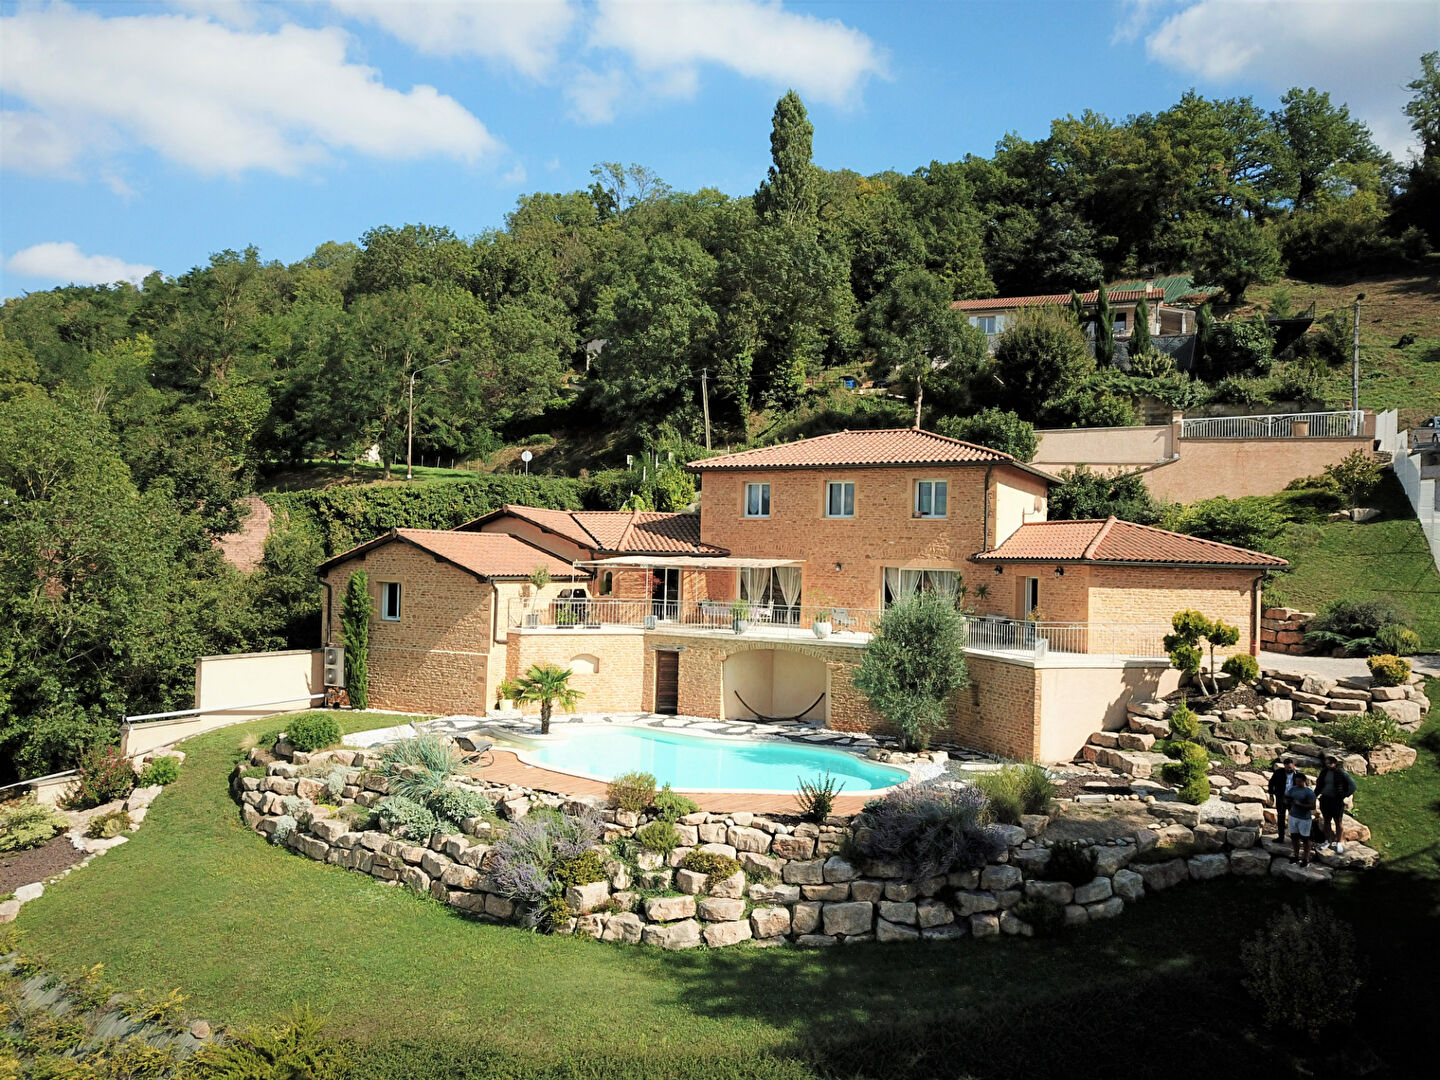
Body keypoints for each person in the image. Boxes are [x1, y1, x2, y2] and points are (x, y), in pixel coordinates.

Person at [1314, 752, 1356, 854]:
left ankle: (1339, 842)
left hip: (1336, 801)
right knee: (1326, 821)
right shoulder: (1324, 772)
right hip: (1325, 799)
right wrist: (1314, 795)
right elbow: (1319, 785)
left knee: (1338, 822)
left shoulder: (1341, 773)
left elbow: (1353, 786)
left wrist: (1344, 795)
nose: (1327, 765)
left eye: (1329, 763)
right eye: (1326, 763)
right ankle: (1327, 841)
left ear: (1334, 763)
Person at [1288, 771, 1317, 866]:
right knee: (1294, 837)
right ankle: (1296, 855)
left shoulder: (1309, 793)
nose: (1298, 783)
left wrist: (1300, 804)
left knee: (1305, 839)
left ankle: (1306, 858)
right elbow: (1288, 797)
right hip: (1293, 816)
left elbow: (1313, 807)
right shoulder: (1293, 789)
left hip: (1304, 819)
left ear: (1304, 781)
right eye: (1296, 782)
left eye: (1299, 782)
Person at [1267, 759, 1296, 841]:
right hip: (1281, 798)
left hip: (1293, 800)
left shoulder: (1298, 774)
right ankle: (1281, 837)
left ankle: (1294, 837)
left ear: (1293, 765)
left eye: (1290, 767)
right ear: (1284, 766)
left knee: (1294, 818)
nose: (1289, 769)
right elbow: (1271, 783)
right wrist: (1271, 794)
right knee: (1280, 818)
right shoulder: (1278, 772)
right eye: (1287, 768)